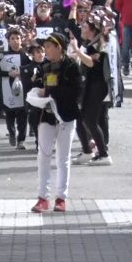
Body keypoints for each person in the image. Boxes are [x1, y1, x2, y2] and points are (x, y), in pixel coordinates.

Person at [30, 33, 83, 214]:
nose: (46, 50)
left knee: (63, 158)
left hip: (66, 116)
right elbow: (41, 87)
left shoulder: (72, 67)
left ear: (59, 47)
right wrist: (39, 92)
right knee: (43, 155)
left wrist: (55, 91)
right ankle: (42, 197)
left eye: (49, 46)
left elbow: (77, 92)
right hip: (47, 115)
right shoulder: (44, 67)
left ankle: (61, 197)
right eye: (45, 46)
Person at [69, 12, 113, 166]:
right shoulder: (92, 43)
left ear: (93, 30)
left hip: (98, 86)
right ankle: (87, 151)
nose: (82, 28)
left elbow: (91, 63)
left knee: (90, 120)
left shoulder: (99, 44)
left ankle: (104, 154)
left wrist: (76, 50)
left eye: (85, 26)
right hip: (90, 84)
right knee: (81, 118)